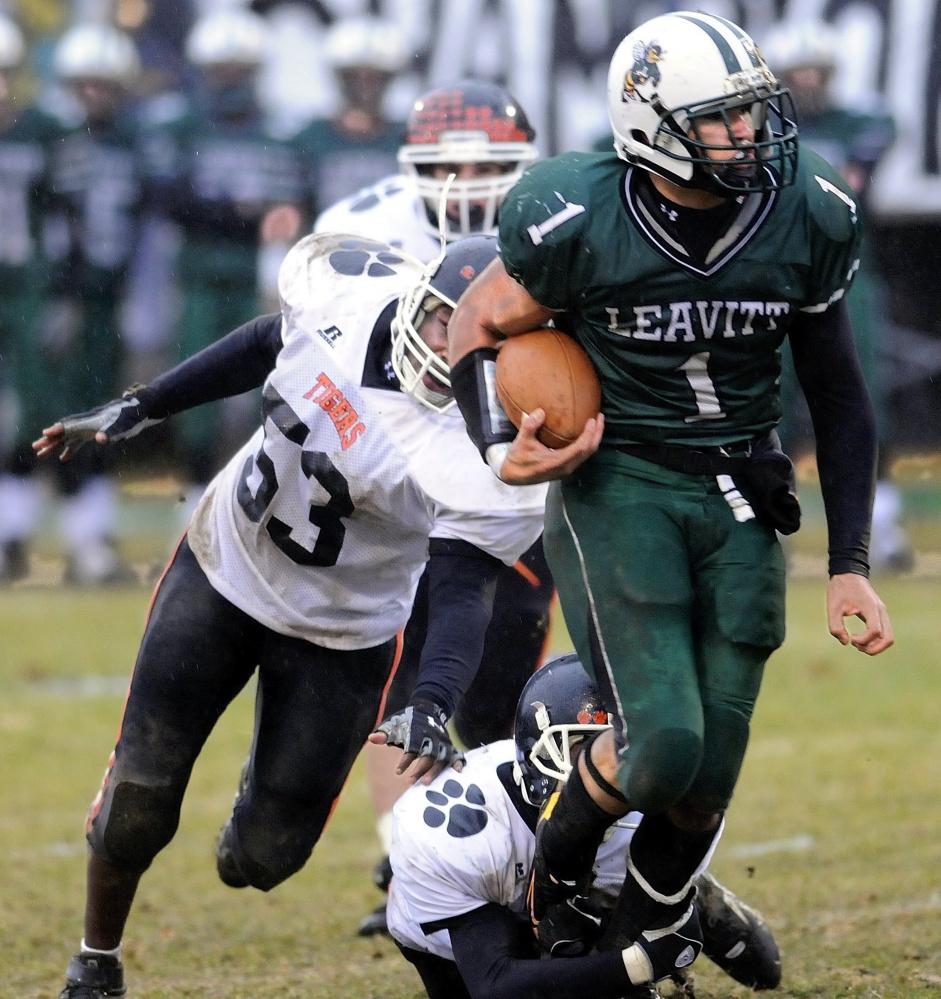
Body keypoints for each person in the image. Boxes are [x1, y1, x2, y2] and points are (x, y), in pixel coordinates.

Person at [447, 9, 893, 961]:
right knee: (663, 748)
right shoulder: (575, 213)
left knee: (708, 775)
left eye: (752, 113)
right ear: (652, 124)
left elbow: (840, 396)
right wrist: (498, 445)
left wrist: (848, 560)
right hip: (622, 483)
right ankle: (552, 885)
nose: (752, 135)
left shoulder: (805, 208)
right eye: (725, 119)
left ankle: (637, 943)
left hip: (740, 496)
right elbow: (475, 325)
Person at [35, 231, 547, 999]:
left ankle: (261, 791)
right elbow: (266, 342)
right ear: (418, 301)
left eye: (488, 340)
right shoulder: (344, 302)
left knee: (262, 860)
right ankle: (95, 958)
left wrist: (434, 702)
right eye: (450, 322)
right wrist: (142, 405)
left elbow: (465, 586)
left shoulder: (488, 449)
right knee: (138, 803)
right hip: (223, 570)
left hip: (345, 634)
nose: (456, 351)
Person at [315, 79, 552, 937]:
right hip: (392, 480)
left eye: (489, 166)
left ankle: (492, 851)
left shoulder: (562, 225)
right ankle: (406, 860)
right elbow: (314, 361)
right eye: (446, 165)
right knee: (399, 676)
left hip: (504, 483)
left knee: (500, 673)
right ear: (411, 167)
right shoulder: (361, 224)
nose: (467, 184)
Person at [388, 653, 782, 999]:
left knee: (764, 968)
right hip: (464, 927)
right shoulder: (450, 832)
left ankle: (677, 893)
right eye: (588, 750)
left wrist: (650, 932)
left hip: (585, 890)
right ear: (540, 750)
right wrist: (638, 965)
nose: (608, 769)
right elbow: (494, 983)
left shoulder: (642, 812)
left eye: (618, 752)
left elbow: (672, 941)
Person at [760, 19, 912, 574]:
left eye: (814, 71)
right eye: (795, 72)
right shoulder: (756, 127)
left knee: (858, 396)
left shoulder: (858, 122)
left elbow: (868, 150)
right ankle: (762, 518)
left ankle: (883, 524)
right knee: (764, 402)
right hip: (773, 276)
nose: (805, 81)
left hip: (844, 275)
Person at [140, 6, 305, 507]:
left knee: (277, 393)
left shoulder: (286, 130)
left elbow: (297, 207)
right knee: (197, 397)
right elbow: (171, 202)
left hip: (265, 284)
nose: (230, 80)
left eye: (240, 70)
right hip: (199, 280)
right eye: (221, 70)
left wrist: (241, 217)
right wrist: (244, 215)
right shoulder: (180, 123)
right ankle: (195, 497)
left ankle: (269, 501)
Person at [41, 22, 145, 585]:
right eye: (84, 85)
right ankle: (75, 540)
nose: (93, 96)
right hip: (60, 301)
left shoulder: (134, 144)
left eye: (103, 85)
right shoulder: (52, 143)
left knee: (107, 418)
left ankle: (92, 541)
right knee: (60, 416)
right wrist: (58, 295)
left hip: (112, 302)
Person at [0, 12, 68, 582]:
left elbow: (61, 217)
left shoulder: (41, 130)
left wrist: (59, 293)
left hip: (24, 285)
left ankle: (13, 534)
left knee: (25, 407)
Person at [292, 15, 409, 221]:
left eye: (374, 77)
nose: (364, 87)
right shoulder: (309, 139)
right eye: (354, 76)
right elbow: (294, 212)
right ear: (339, 78)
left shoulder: (408, 139)